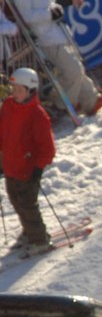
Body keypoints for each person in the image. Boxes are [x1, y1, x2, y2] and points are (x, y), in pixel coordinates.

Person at [12, 0, 102, 116]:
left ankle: (90, 100)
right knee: (72, 70)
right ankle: (59, 104)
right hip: (46, 38)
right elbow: (27, 16)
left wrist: (55, 10)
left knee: (77, 67)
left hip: (59, 32)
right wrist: (49, 13)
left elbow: (51, 4)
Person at [0, 67, 55, 253]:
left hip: (27, 170)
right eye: (13, 88)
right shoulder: (8, 106)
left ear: (30, 91)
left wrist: (37, 169)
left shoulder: (37, 115)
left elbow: (48, 149)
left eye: (19, 90)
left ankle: (39, 240)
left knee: (28, 205)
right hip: (10, 166)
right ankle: (29, 232)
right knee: (15, 200)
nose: (14, 93)